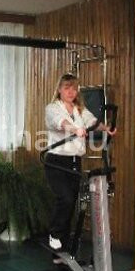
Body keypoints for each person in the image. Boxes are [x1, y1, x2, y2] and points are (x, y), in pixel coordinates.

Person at [44, 73, 115, 255]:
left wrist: (106, 128)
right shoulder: (52, 108)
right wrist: (75, 129)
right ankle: (54, 234)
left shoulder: (79, 109)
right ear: (59, 90)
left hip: (74, 161)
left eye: (74, 88)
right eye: (67, 88)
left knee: (71, 204)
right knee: (65, 198)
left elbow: (92, 122)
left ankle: (61, 251)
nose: (71, 92)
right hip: (56, 161)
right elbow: (61, 122)